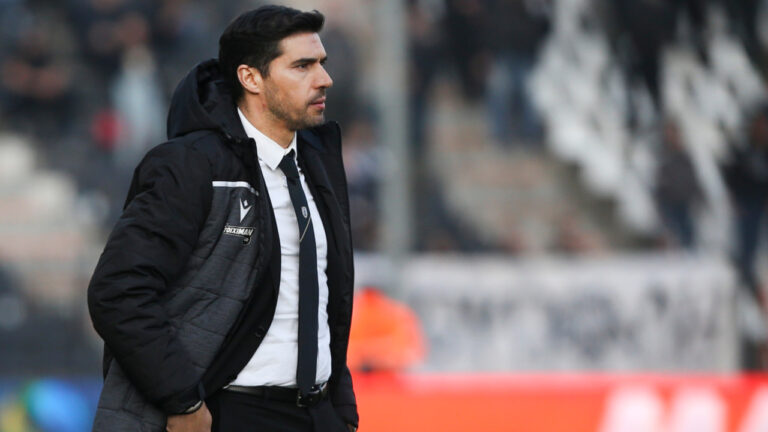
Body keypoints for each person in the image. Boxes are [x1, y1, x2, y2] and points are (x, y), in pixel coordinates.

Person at [87, 6, 358, 432]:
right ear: (251, 78)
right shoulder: (191, 165)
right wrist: (183, 400)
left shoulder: (317, 164)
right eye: (302, 66)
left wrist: (341, 410)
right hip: (230, 412)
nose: (324, 78)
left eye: (321, 63)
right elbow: (118, 291)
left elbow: (328, 302)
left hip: (316, 413)